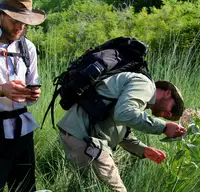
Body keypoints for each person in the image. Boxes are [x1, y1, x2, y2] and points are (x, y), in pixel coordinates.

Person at [57, 71, 186, 192]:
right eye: (172, 109)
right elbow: (124, 114)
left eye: (170, 116)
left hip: (81, 137)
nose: (168, 115)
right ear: (167, 93)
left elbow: (119, 128)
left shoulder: (138, 95)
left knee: (92, 187)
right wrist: (163, 127)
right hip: (85, 139)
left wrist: (143, 150)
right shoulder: (145, 85)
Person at [0, 0, 46, 191]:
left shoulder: (28, 48)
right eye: (14, 21)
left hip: (22, 129)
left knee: (25, 187)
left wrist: (33, 94)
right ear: (1, 15)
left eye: (24, 22)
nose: (20, 27)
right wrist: (2, 91)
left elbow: (32, 83)